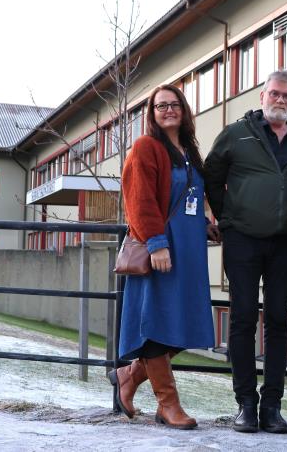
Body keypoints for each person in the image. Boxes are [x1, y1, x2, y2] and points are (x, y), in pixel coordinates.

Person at [203, 70, 287, 434]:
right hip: (242, 239)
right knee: (241, 318)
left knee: (278, 320)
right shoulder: (236, 134)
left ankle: (272, 405)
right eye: (274, 93)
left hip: (285, 242)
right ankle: (246, 404)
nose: (280, 100)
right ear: (262, 96)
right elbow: (211, 174)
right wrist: (226, 217)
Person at [110, 84, 218, 430]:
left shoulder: (188, 150)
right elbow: (139, 200)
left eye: (174, 104)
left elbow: (185, 199)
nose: (168, 110)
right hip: (161, 249)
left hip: (189, 251)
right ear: (152, 114)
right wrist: (156, 243)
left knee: (185, 323)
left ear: (184, 110)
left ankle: (129, 375)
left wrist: (204, 226)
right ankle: (168, 404)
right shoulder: (147, 147)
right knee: (157, 324)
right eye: (161, 106)